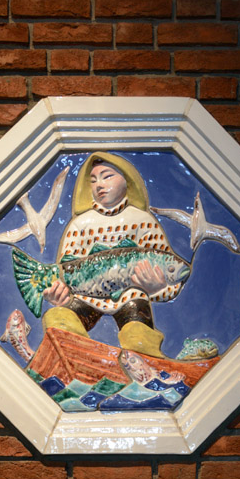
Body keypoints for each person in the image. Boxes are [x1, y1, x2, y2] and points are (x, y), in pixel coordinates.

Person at [42, 152, 184, 358]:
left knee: (139, 337)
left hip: (131, 296)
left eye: (107, 176)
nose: (99, 185)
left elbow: (172, 278)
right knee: (59, 319)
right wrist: (59, 294)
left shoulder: (143, 221)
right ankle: (77, 359)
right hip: (87, 296)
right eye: (93, 180)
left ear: (127, 180)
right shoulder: (80, 224)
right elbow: (67, 269)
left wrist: (158, 288)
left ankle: (146, 364)